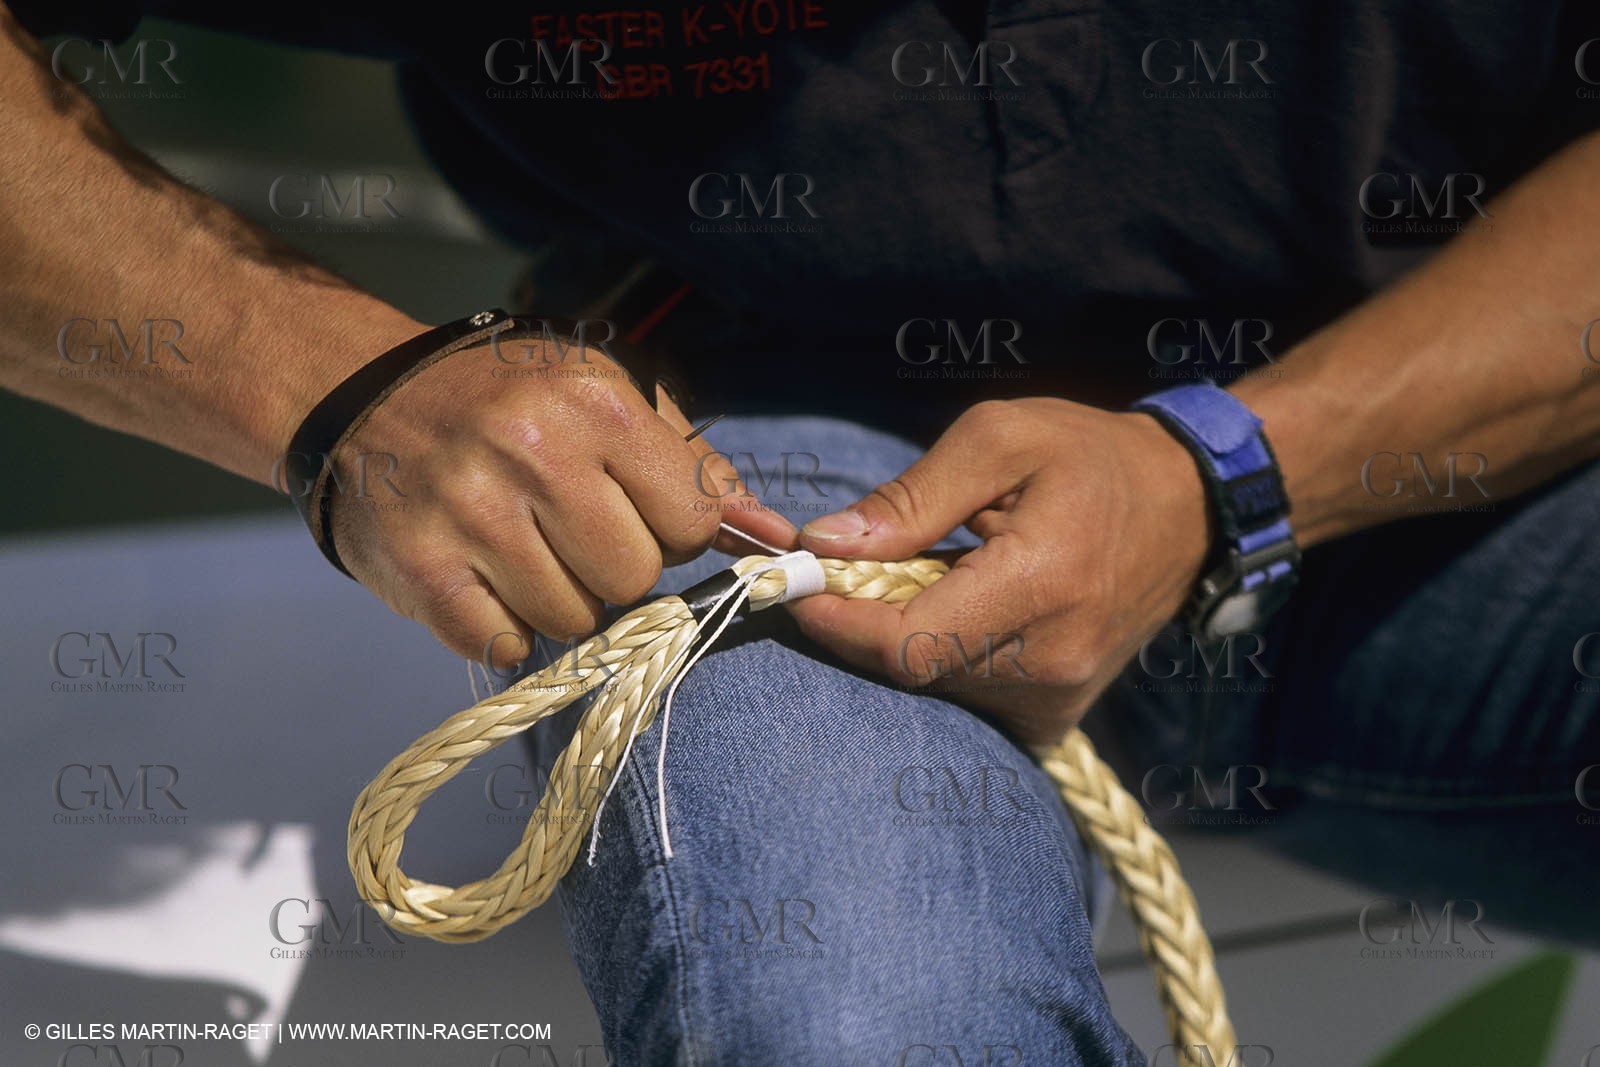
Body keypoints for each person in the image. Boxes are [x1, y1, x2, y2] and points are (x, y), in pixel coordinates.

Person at [4, 3, 1598, 1063]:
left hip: (1485, 455)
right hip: (748, 486)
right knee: (855, 1016)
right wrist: (336, 381)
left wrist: (1225, 474)